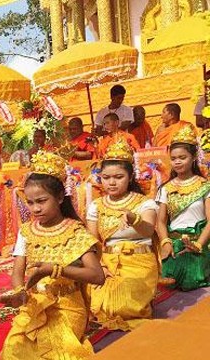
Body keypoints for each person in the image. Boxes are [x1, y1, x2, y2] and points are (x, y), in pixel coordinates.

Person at [0, 151, 104, 359]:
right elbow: (17, 271)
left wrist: (56, 270)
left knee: (57, 353)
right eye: (30, 202)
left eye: (41, 201)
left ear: (59, 197)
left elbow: (97, 275)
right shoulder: (27, 231)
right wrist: (20, 292)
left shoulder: (75, 230)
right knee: (14, 349)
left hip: (67, 307)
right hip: (36, 303)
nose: (36, 208)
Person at [87, 139, 159, 331]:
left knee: (123, 308)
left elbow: (149, 230)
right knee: (97, 305)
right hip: (107, 262)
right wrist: (99, 266)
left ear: (130, 176)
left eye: (118, 177)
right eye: (105, 177)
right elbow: (93, 242)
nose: (111, 182)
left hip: (138, 262)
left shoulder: (144, 203)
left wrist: (134, 218)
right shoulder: (96, 205)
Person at [157, 126, 210, 290]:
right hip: (174, 245)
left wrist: (198, 245)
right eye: (173, 158)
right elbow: (160, 221)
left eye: (182, 157)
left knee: (193, 281)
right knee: (168, 282)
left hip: (199, 245)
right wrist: (166, 243)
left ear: (193, 157)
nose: (177, 162)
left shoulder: (205, 186)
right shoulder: (165, 189)